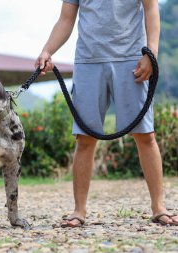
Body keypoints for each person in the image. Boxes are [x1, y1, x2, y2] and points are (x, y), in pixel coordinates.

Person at [35, 0, 178, 227]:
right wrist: (47, 50)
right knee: (84, 138)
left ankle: (159, 207)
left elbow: (151, 8)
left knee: (145, 134)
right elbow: (66, 19)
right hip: (88, 61)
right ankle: (79, 211)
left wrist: (152, 52)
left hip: (132, 58)